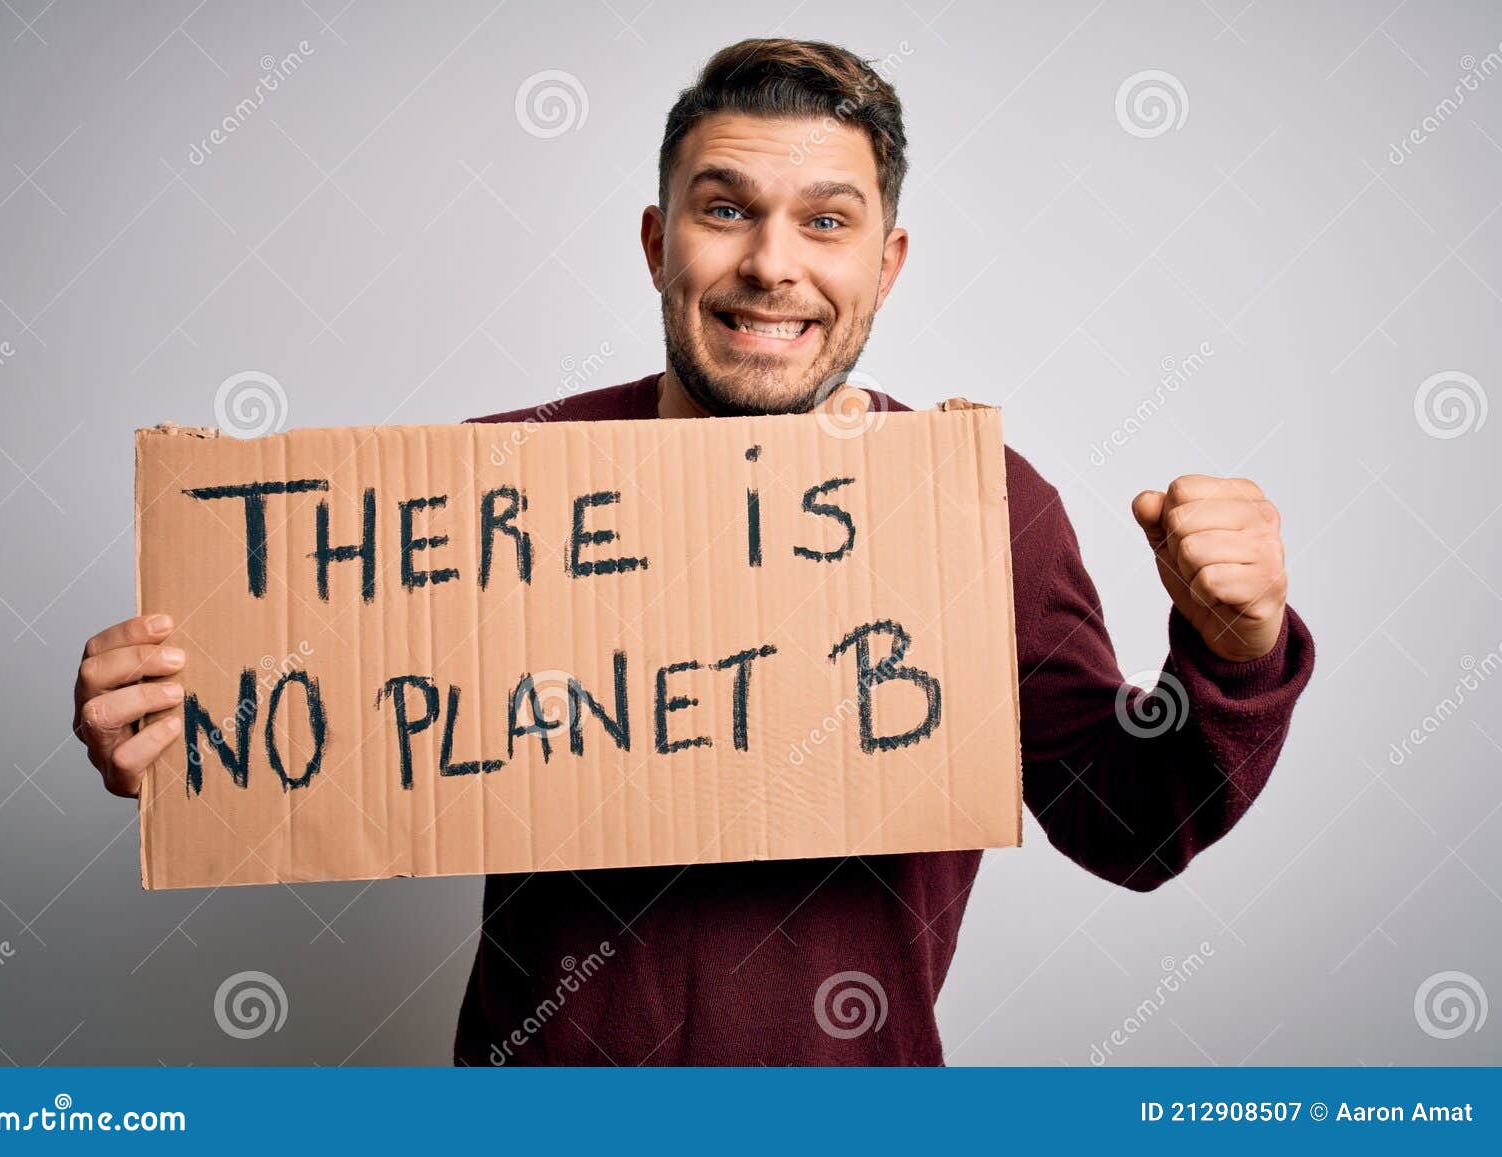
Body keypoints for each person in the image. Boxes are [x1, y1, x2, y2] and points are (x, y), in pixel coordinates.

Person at [72, 38, 1314, 1065]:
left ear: (883, 265)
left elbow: (1128, 825)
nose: (771, 262)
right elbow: (310, 717)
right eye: (727, 210)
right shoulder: (490, 490)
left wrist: (1233, 651)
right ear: (660, 241)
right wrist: (181, 726)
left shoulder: (978, 504)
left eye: (825, 221)